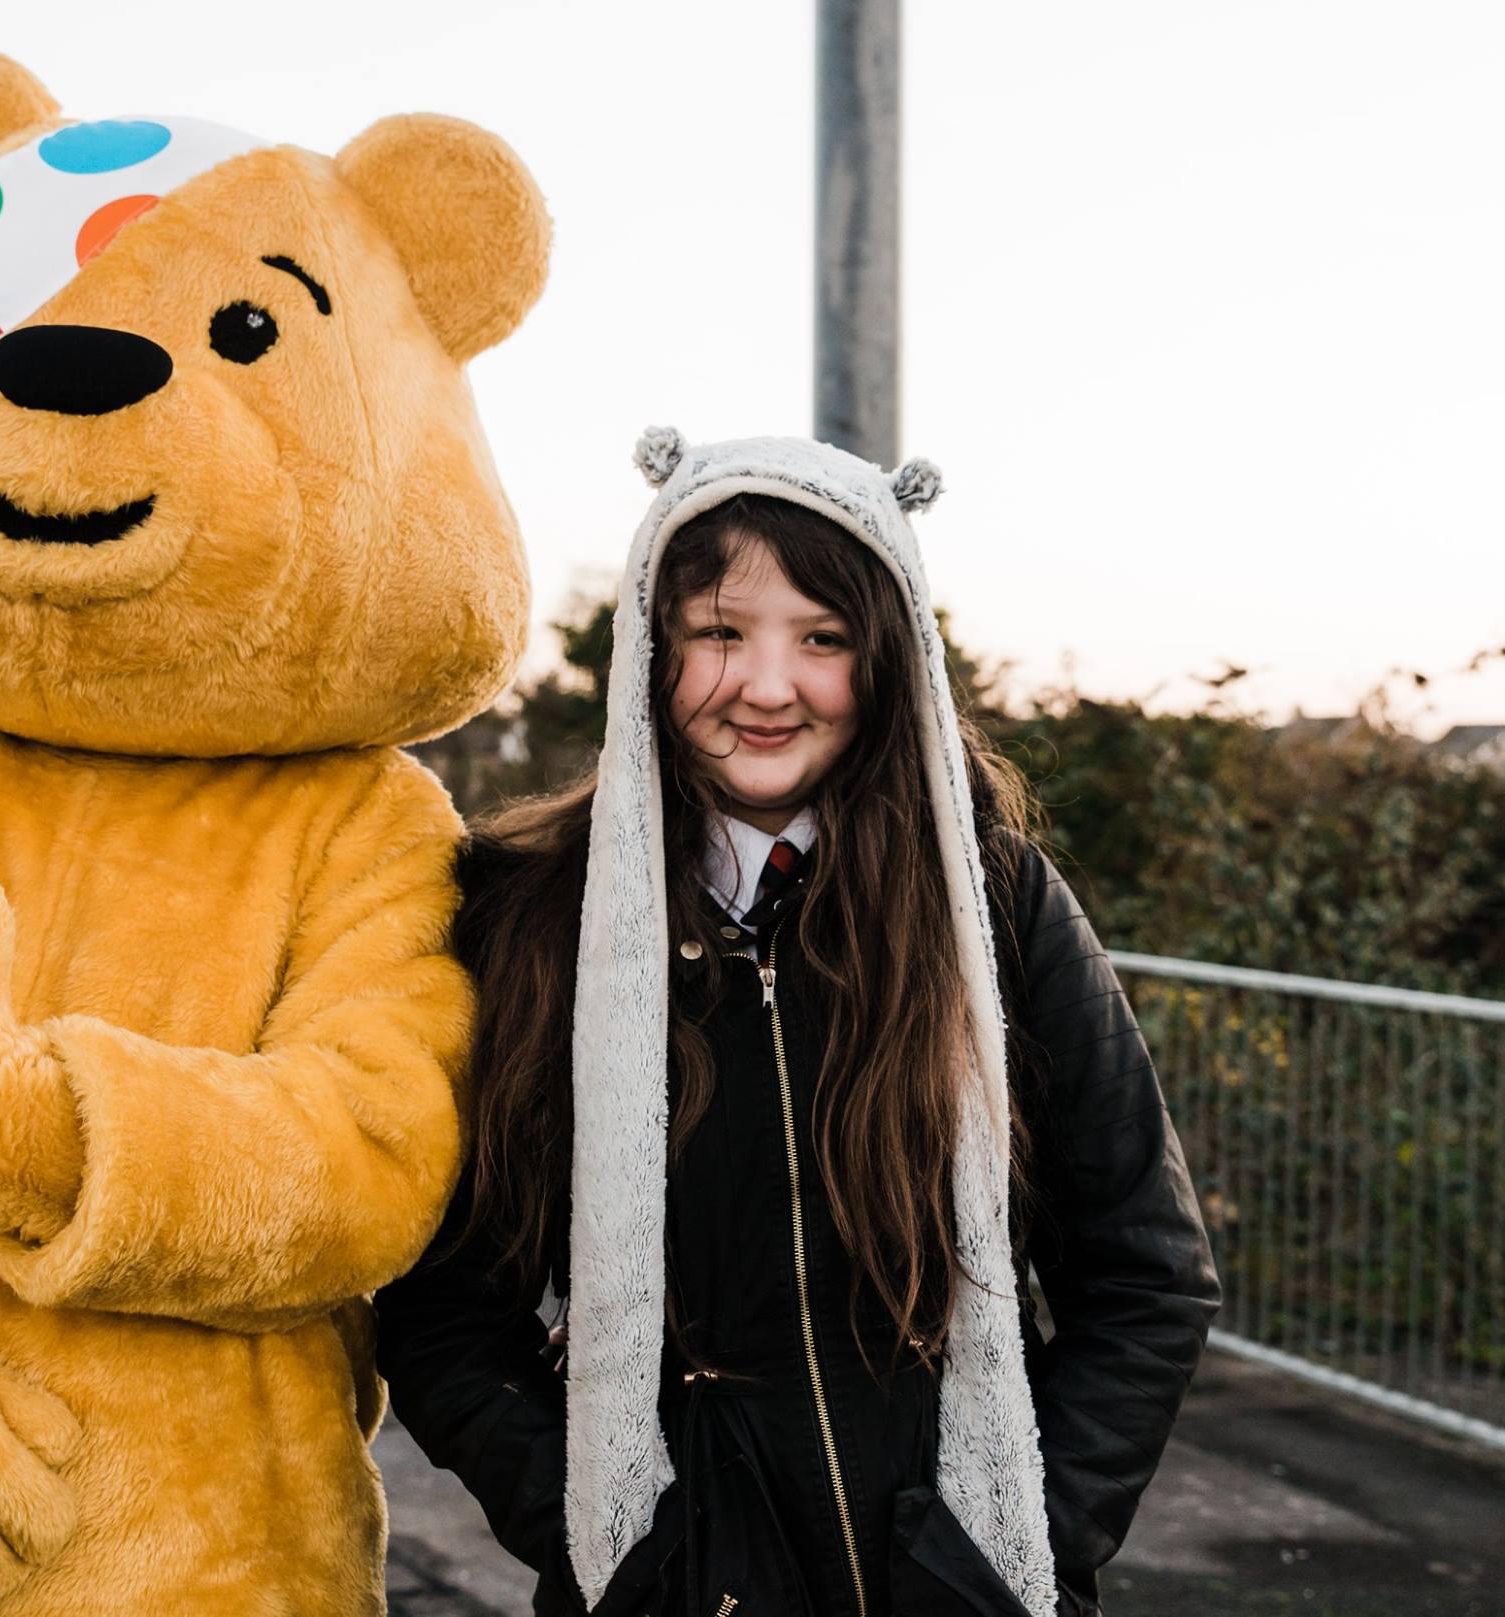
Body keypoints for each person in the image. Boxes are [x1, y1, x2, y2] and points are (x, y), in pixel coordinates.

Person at [375, 430, 1220, 1617]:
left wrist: (1014, 1546)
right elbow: (443, 1308)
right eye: (719, 633)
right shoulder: (528, 915)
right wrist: (619, 1546)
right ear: (649, 649)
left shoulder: (988, 901)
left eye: (821, 638)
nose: (766, 688)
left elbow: (1145, 1274)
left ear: (885, 662)